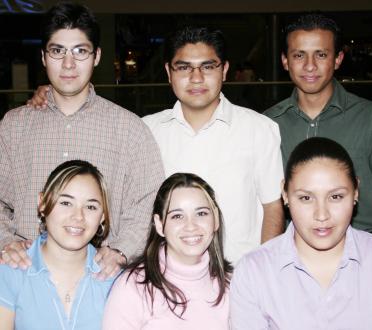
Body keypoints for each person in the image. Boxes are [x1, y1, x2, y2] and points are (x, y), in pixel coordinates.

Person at [0, 2, 164, 278]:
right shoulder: (14, 126)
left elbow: (149, 202)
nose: (68, 63)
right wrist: (6, 241)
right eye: (57, 51)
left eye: (80, 51)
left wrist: (121, 251)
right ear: (43, 56)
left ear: (97, 56)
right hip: (23, 276)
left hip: (101, 280)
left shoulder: (129, 128)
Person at [143, 26, 284, 264]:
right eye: (184, 67)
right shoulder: (147, 131)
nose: (196, 78)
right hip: (167, 276)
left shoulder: (259, 129)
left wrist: (263, 274)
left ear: (225, 70)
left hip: (240, 277)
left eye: (208, 67)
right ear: (168, 72)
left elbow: (272, 207)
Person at [230, 137, 372, 329]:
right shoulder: (254, 272)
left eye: (336, 197)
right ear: (285, 194)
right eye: (306, 198)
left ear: (356, 192)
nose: (321, 215)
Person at [264, 13, 372, 241]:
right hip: (293, 254)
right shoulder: (268, 123)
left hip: (365, 249)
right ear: (285, 61)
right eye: (299, 55)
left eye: (321, 54)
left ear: (337, 59)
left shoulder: (370, 117)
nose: (309, 66)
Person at [102, 173, 232, 329]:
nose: (191, 226)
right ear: (159, 224)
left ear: (216, 219)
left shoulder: (233, 285)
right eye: (177, 216)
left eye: (201, 213)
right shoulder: (133, 288)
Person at [0, 160, 117, 329]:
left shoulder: (116, 280)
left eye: (91, 207)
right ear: (43, 202)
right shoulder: (10, 272)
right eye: (66, 203)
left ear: (103, 215)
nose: (78, 216)